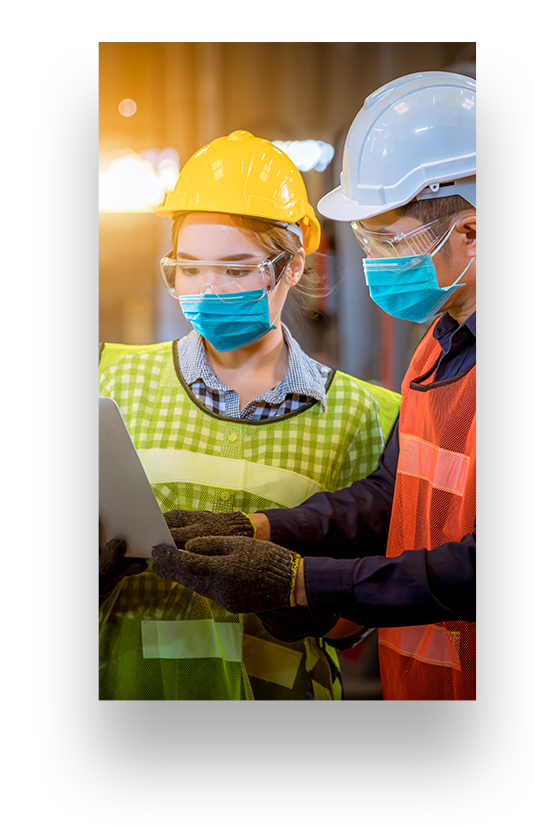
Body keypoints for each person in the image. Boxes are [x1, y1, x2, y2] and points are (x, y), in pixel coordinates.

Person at [151, 72, 477, 702]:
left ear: (469, 232)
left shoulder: (373, 398)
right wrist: (262, 529)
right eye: (366, 240)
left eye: (390, 239)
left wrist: (303, 583)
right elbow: (392, 493)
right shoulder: (437, 348)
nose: (376, 260)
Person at [98, 130, 401, 701]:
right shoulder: (109, 379)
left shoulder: (369, 417)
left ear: (291, 267)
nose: (208, 290)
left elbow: (365, 606)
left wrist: (298, 606)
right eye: (189, 269)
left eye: (236, 271)